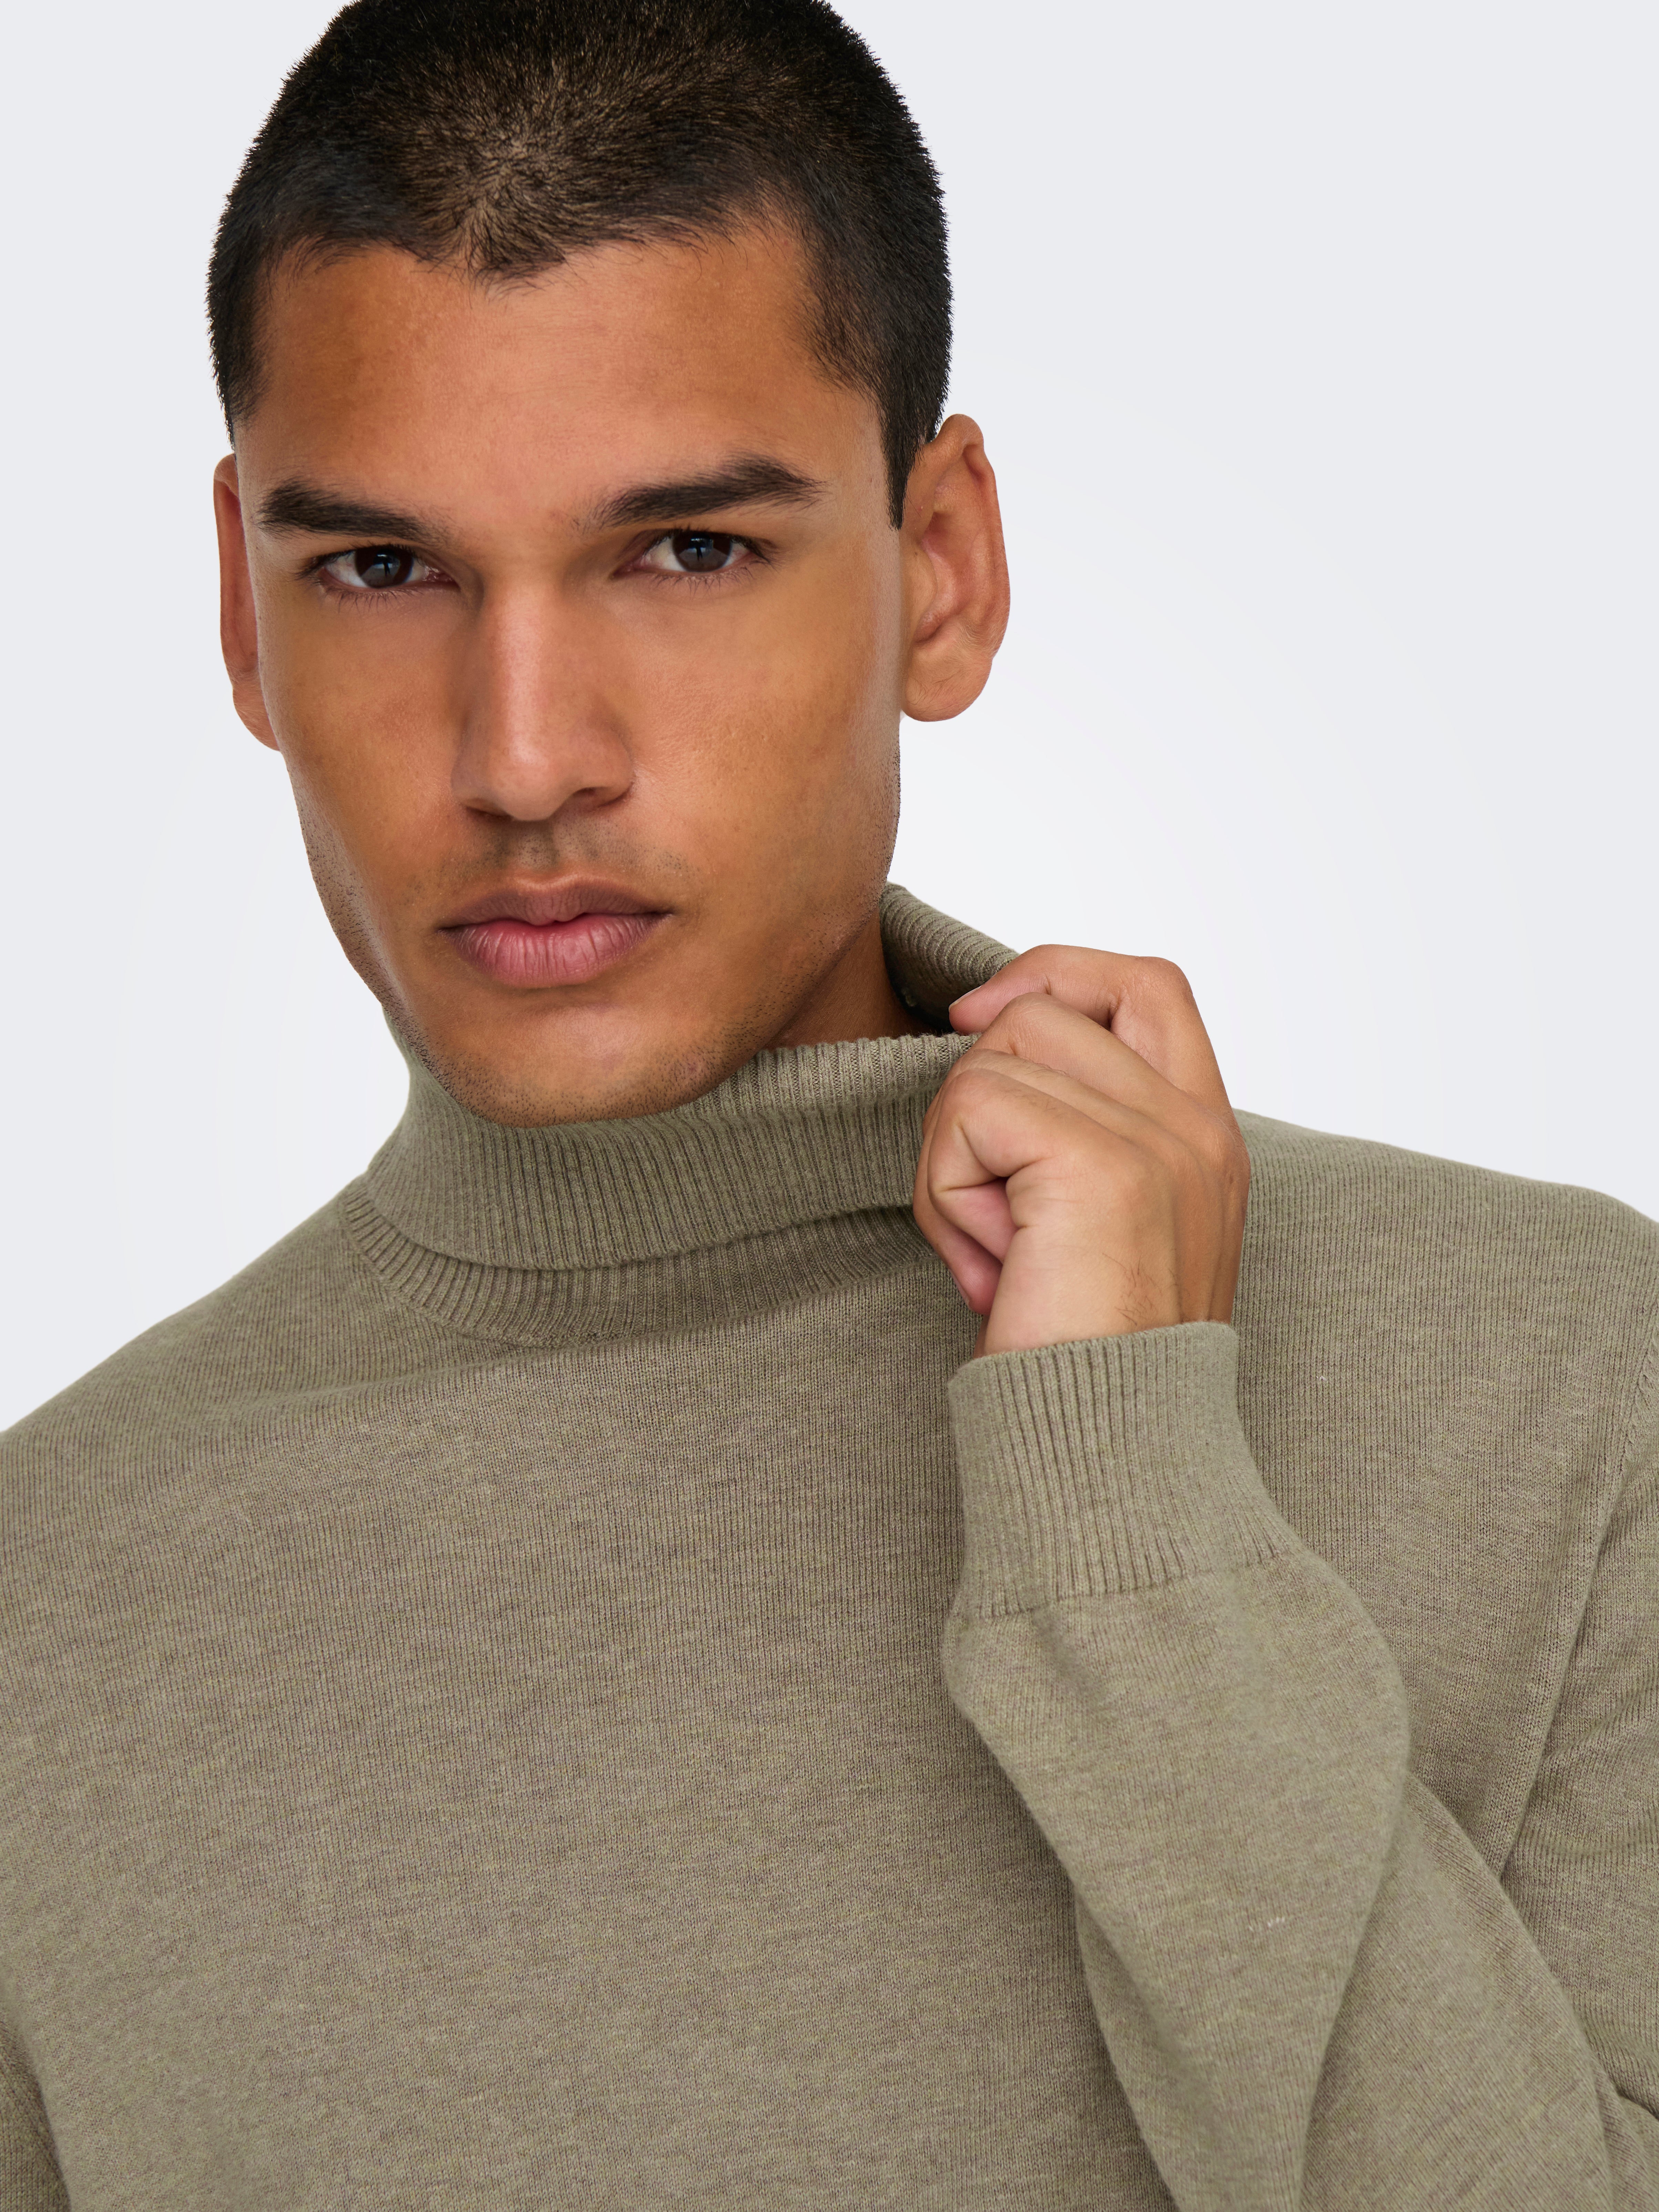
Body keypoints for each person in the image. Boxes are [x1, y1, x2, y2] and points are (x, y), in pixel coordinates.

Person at [2, 0, 1655, 2203]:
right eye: (384, 570)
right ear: (241, 605)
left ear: (940, 568)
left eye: (686, 549)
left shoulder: (1567, 1386)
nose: (524, 755)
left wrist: (1133, 1520)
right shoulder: (43, 1604)